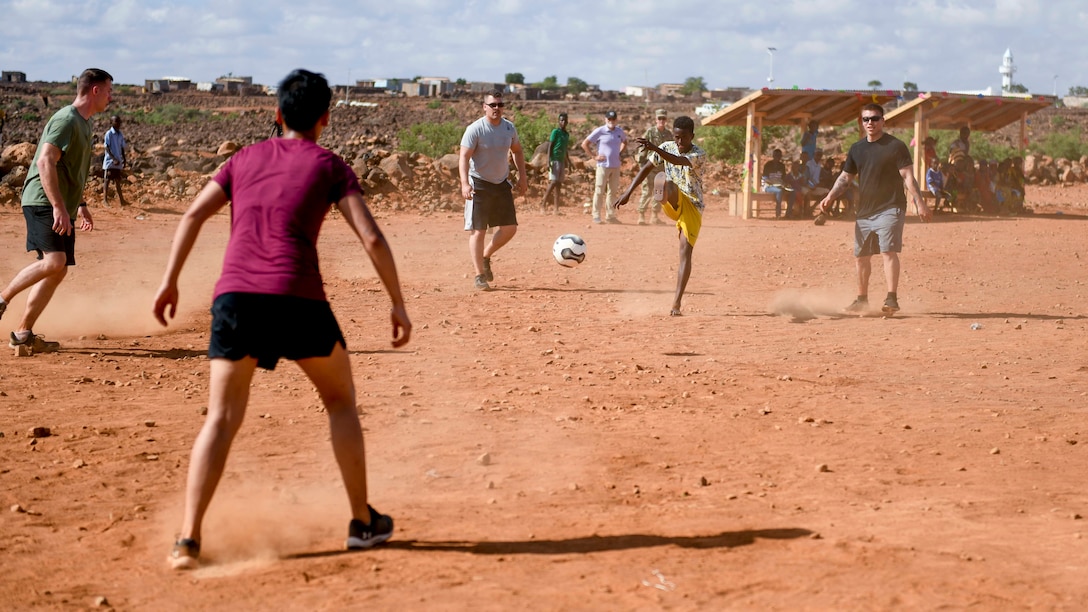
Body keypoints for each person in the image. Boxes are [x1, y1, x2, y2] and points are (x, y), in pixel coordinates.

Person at [152, 69, 411, 570]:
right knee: (340, 402)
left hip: (235, 300)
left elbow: (191, 215)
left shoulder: (243, 159)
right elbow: (372, 238)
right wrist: (397, 303)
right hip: (298, 299)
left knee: (221, 419)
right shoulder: (330, 165)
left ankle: (188, 539)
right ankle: (361, 522)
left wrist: (170, 281)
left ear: (277, 114)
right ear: (325, 119)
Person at [0, 68, 113, 352]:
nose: (112, 97)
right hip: (42, 200)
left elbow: (70, 170)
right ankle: (2, 299)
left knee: (57, 269)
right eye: (109, 91)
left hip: (60, 204)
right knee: (54, 261)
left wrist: (81, 204)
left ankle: (23, 333)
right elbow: (44, 162)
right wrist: (58, 207)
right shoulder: (66, 119)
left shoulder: (85, 123)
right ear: (95, 90)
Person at [817, 103, 931, 315]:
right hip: (865, 211)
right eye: (866, 119)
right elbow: (845, 178)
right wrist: (830, 197)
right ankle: (861, 299)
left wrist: (920, 202)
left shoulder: (895, 146)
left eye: (875, 118)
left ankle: (891, 299)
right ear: (862, 122)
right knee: (862, 257)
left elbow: (907, 176)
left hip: (891, 206)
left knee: (888, 251)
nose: (870, 123)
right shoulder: (857, 149)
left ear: (883, 121)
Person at [613, 115, 706, 316]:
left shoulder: (699, 153)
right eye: (676, 138)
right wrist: (628, 192)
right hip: (672, 201)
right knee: (668, 182)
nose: (679, 142)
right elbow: (647, 168)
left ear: (692, 136)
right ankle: (662, 192)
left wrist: (656, 149)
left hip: (692, 206)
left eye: (683, 138)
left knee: (685, 253)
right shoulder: (667, 146)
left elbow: (678, 161)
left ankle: (676, 304)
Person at [459, 90, 528, 291]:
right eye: (493, 105)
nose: (497, 108)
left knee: (510, 228)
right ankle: (479, 275)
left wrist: (522, 176)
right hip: (479, 184)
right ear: (484, 107)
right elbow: (463, 157)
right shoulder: (475, 129)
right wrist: (465, 183)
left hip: (501, 184)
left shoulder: (509, 128)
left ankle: (485, 256)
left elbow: (517, 151)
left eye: (500, 105)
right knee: (478, 230)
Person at [581, 110, 628, 224]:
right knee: (599, 190)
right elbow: (584, 144)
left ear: (616, 120)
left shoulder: (619, 131)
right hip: (603, 166)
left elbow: (625, 142)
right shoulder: (600, 131)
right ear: (605, 119)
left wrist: (619, 153)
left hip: (615, 166)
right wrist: (594, 156)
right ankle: (596, 215)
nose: (611, 121)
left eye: (613, 119)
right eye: (609, 119)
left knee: (612, 191)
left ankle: (610, 216)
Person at [635, 109, 672, 225]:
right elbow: (642, 146)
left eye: (663, 118)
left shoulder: (668, 134)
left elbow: (672, 149)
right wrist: (641, 161)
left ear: (666, 120)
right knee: (647, 191)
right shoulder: (650, 132)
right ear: (656, 120)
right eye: (659, 118)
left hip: (662, 168)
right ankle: (641, 215)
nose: (661, 121)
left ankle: (654, 216)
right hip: (650, 167)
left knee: (659, 192)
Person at [539, 112, 571, 214]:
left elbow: (565, 149)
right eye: (561, 120)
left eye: (565, 120)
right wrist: (548, 160)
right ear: (558, 121)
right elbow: (550, 146)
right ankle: (543, 204)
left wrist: (569, 162)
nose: (563, 122)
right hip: (554, 159)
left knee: (559, 184)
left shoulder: (566, 134)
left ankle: (556, 209)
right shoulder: (555, 132)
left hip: (561, 160)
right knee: (553, 182)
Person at [102, 115, 127, 206]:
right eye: (116, 121)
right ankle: (105, 200)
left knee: (117, 180)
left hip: (118, 161)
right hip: (110, 161)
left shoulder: (120, 134)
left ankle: (122, 200)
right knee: (107, 180)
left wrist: (124, 159)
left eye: (119, 121)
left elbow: (122, 147)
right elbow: (106, 147)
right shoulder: (109, 133)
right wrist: (113, 158)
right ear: (111, 123)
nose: (118, 123)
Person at [761, 148, 787, 218]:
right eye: (776, 155)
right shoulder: (768, 165)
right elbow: (765, 178)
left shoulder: (782, 166)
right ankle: (778, 213)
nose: (777, 157)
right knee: (779, 191)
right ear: (773, 156)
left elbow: (784, 178)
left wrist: (783, 184)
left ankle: (789, 213)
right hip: (769, 186)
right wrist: (774, 183)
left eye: (779, 156)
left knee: (792, 192)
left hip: (779, 185)